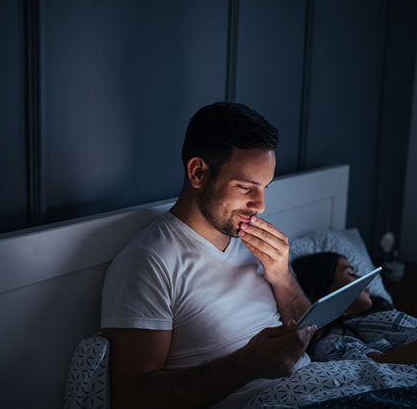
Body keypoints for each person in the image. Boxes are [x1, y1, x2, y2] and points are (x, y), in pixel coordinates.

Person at [100, 102, 316, 409]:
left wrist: (282, 276)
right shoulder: (149, 261)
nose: (260, 205)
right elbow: (132, 397)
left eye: (265, 187)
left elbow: (309, 332)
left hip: (317, 385)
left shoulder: (250, 238)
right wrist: (246, 365)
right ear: (198, 172)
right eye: (246, 187)